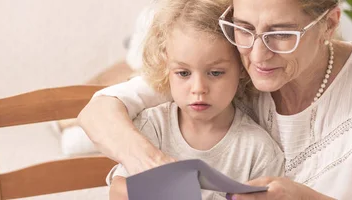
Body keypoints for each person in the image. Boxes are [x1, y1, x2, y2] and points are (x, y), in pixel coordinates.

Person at [78, 0, 352, 199]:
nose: (257, 55)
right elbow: (100, 112)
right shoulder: (224, 64)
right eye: (244, 27)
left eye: (281, 34)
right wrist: (161, 176)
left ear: (329, 23)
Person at [105, 0, 284, 199]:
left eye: (215, 73)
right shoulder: (153, 126)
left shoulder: (258, 150)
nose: (198, 89)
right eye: (183, 73)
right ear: (167, 66)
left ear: (241, 68)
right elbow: (118, 191)